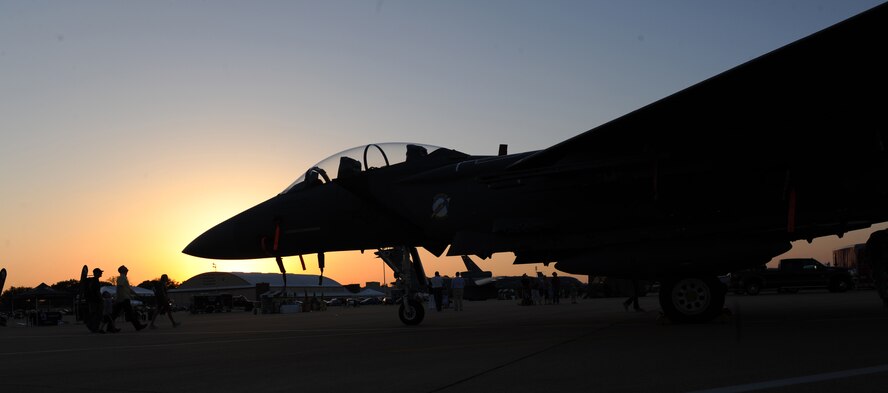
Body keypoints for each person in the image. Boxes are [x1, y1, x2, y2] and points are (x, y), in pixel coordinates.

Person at [111, 265, 147, 331]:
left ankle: (110, 327)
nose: (127, 269)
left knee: (116, 314)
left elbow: (127, 289)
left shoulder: (123, 278)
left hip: (123, 298)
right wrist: (119, 298)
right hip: (123, 299)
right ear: (122, 270)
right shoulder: (121, 278)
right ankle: (138, 326)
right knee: (128, 313)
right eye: (125, 268)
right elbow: (119, 288)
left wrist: (136, 294)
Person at [84, 267, 105, 333]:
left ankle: (93, 327)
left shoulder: (93, 280)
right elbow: (96, 291)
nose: (101, 273)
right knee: (97, 315)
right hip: (95, 300)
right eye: (100, 272)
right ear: (96, 273)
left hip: (93, 300)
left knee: (94, 314)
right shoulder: (95, 281)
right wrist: (101, 299)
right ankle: (94, 328)